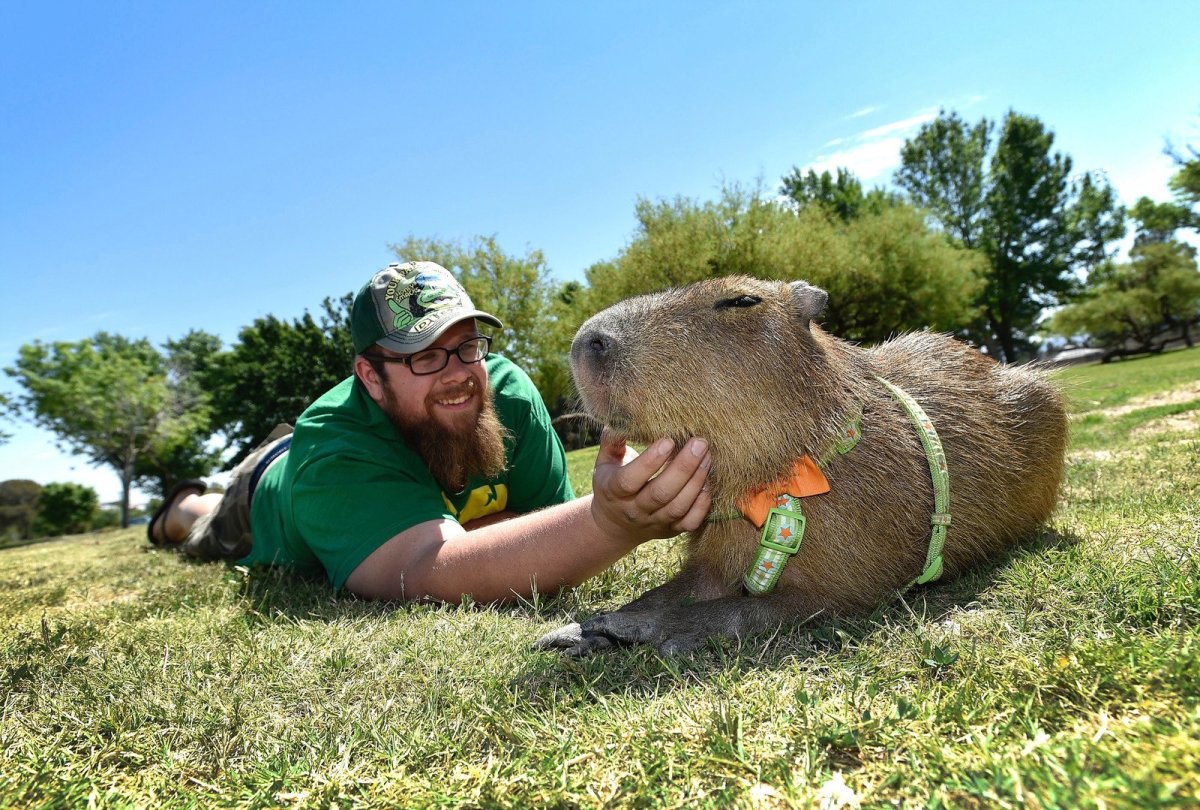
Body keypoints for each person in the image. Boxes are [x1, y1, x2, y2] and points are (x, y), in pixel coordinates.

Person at [149, 261, 712, 603]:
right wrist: (608, 521)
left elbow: (545, 535)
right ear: (370, 375)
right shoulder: (335, 442)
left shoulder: (506, 393)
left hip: (359, 479)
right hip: (270, 487)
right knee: (205, 526)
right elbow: (423, 571)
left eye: (466, 345)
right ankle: (182, 505)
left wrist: (496, 540)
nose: (457, 376)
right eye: (423, 357)